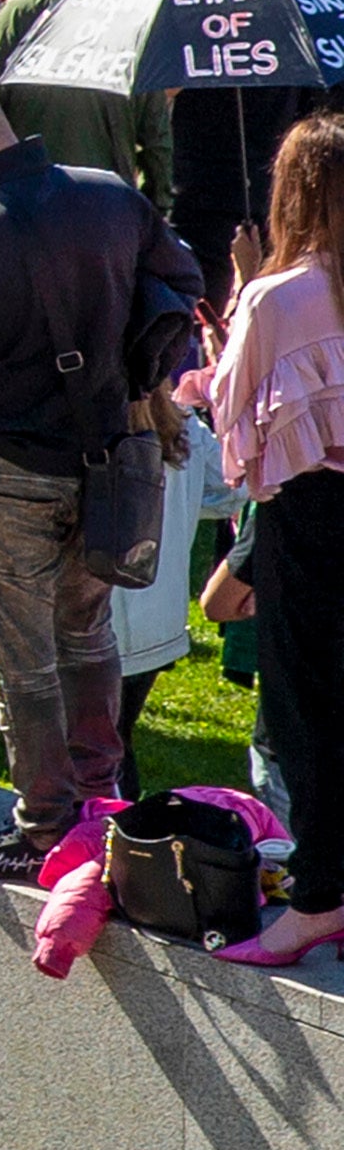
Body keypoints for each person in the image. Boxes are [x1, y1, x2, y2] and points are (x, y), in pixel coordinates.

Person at [0, 75, 203, 881]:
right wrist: (139, 374)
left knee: (23, 659)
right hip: (102, 467)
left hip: (6, 474)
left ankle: (39, 828)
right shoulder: (111, 198)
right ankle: (99, 802)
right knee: (87, 636)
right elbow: (187, 286)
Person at [200, 112, 344, 965]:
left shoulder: (276, 294)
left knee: (307, 709)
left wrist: (245, 289)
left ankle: (321, 898)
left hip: (308, 518)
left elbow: (234, 417)